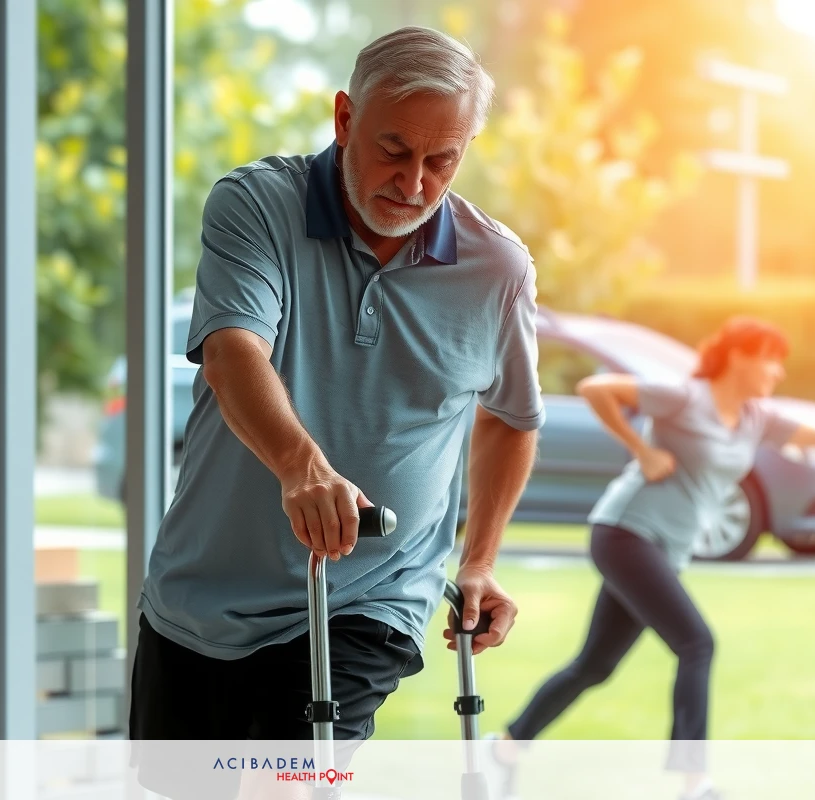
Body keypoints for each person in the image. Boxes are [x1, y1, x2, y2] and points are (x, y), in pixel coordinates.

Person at [129, 25, 545, 752]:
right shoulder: (257, 206)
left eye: (441, 160)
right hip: (199, 596)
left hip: (367, 597)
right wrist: (302, 468)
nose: (414, 183)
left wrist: (478, 560)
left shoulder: (498, 271)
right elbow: (232, 351)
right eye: (393, 150)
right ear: (346, 118)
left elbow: (512, 417)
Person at [484, 316, 815, 800]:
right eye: (770, 360)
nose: (777, 372)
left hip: (662, 548)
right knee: (697, 643)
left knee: (594, 666)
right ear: (740, 356)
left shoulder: (758, 418)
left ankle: (504, 748)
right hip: (626, 532)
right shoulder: (686, 396)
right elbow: (597, 388)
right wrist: (641, 450)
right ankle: (694, 783)